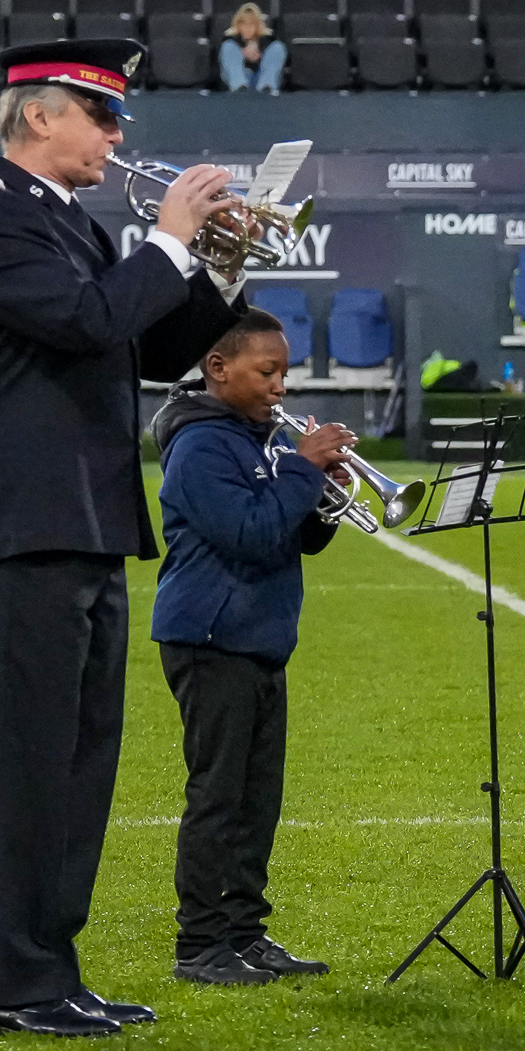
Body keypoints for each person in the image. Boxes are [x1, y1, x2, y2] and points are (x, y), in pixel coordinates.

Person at [0, 39, 245, 1036]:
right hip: (30, 522)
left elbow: (153, 345)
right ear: (39, 115)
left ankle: (51, 972)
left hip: (84, 521)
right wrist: (164, 238)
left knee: (80, 763)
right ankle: (16, 983)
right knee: (33, 763)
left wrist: (217, 264)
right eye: (101, 116)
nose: (118, 137)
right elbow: (84, 323)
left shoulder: (69, 226)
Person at [149, 310, 351, 986]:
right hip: (210, 637)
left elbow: (294, 538)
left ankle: (244, 933)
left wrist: (325, 496)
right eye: (268, 372)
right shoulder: (200, 445)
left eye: (284, 373)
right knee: (219, 796)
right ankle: (200, 945)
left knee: (256, 799)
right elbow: (250, 534)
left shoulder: (256, 438)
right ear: (218, 369)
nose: (279, 387)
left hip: (258, 636)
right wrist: (300, 470)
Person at [219, 3, 283, 94]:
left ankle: (266, 87)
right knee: (228, 46)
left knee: (278, 47)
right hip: (238, 76)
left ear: (257, 25)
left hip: (260, 77)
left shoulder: (268, 39)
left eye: (251, 24)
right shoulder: (230, 38)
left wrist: (260, 56)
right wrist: (241, 54)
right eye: (243, 23)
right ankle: (239, 87)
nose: (247, 28)